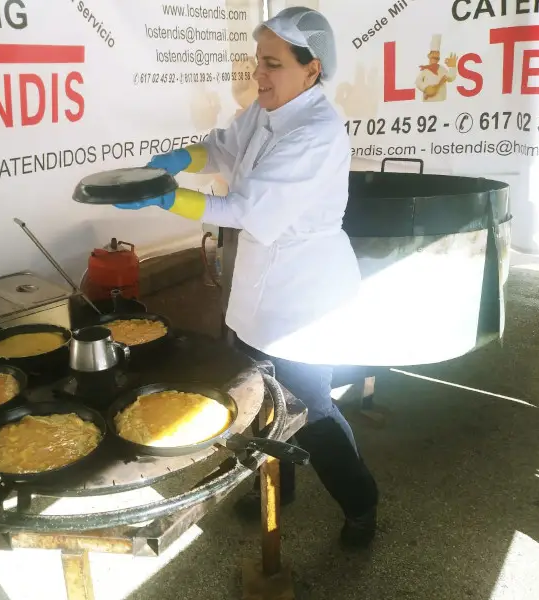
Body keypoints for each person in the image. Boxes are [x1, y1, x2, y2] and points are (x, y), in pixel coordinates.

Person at [115, 7, 379, 548]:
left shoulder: (316, 133)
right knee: (264, 400)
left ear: (312, 70)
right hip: (260, 284)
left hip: (306, 297)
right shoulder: (266, 109)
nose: (259, 74)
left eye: (273, 64)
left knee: (313, 408)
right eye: (258, 61)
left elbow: (246, 210)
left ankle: (360, 504)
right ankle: (280, 491)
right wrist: (182, 156)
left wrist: (169, 197)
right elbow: (222, 143)